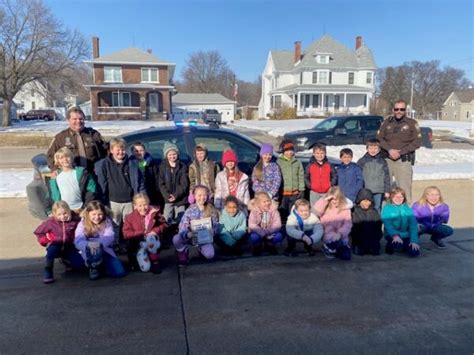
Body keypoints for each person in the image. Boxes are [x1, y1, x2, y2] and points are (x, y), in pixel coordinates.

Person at [95, 137, 145, 246]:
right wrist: (102, 202)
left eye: (123, 149)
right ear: (111, 150)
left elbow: (140, 182)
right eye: (117, 149)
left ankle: (129, 246)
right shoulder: (104, 164)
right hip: (113, 202)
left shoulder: (132, 163)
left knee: (129, 225)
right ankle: (114, 245)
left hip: (130, 201)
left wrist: (140, 199)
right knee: (114, 225)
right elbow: (101, 184)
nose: (120, 152)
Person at [377, 99, 422, 202]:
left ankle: (406, 214)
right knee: (386, 189)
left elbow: (417, 142)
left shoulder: (412, 123)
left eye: (402, 109)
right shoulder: (386, 122)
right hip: (387, 159)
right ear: (393, 110)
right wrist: (389, 150)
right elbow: (379, 138)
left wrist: (400, 152)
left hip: (403, 160)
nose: (399, 111)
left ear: (405, 110)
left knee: (404, 189)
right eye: (396, 109)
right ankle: (386, 213)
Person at [33, 201, 84, 284]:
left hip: (70, 246)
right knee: (51, 252)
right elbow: (38, 232)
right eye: (59, 215)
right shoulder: (50, 222)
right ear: (54, 214)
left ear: (69, 211)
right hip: (55, 245)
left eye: (65, 213)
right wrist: (46, 241)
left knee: (80, 265)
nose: (62, 216)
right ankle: (48, 269)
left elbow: (82, 229)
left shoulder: (75, 220)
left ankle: (66, 260)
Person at [75, 201, 126, 280]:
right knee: (78, 263)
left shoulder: (107, 222)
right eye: (93, 214)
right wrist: (88, 245)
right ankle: (93, 267)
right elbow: (78, 239)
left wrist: (99, 244)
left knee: (119, 272)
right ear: (88, 214)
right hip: (89, 251)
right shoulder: (82, 223)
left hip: (104, 249)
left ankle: (102, 266)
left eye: (100, 214)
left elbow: (110, 236)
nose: (97, 217)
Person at [47, 107, 107, 173]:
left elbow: (106, 152)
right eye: (74, 119)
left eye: (81, 119)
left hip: (93, 173)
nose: (78, 121)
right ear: (68, 120)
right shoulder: (60, 137)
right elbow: (50, 156)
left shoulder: (94, 134)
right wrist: (55, 169)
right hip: (72, 174)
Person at [173, 185, 219, 266]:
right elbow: (182, 225)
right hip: (191, 236)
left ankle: (201, 250)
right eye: (199, 195)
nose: (202, 197)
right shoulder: (190, 210)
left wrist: (213, 231)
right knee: (176, 239)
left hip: (204, 238)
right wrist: (187, 234)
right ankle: (183, 251)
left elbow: (216, 224)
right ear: (194, 196)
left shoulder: (211, 209)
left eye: (204, 195)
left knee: (210, 255)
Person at [123, 193, 168, 274]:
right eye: (140, 205)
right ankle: (139, 260)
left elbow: (164, 224)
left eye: (145, 205)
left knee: (150, 238)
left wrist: (155, 231)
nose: (143, 208)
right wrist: (141, 233)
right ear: (135, 206)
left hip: (152, 241)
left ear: (149, 203)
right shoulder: (129, 217)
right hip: (138, 243)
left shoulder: (155, 213)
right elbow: (126, 234)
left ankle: (155, 262)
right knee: (146, 268)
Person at [49, 147, 96, 212]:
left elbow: (91, 189)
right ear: (58, 161)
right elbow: (53, 194)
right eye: (61, 158)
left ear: (71, 157)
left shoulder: (83, 173)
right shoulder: (55, 177)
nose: (65, 159)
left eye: (67, 156)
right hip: (64, 211)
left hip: (80, 208)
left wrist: (85, 206)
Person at [314, 186, 352, 260]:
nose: (335, 201)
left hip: (341, 236)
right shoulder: (325, 207)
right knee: (332, 245)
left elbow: (348, 224)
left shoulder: (345, 209)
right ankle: (328, 248)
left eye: (337, 199)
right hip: (328, 234)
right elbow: (317, 209)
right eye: (332, 199)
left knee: (346, 256)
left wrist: (340, 233)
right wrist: (326, 199)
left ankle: (337, 248)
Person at [381, 187, 420, 257]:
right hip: (391, 234)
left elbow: (413, 226)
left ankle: (404, 245)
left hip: (405, 234)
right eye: (396, 196)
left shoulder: (408, 209)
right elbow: (388, 225)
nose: (398, 199)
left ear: (404, 198)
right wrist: (395, 235)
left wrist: (414, 241)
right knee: (397, 245)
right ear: (391, 197)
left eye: (401, 197)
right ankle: (390, 245)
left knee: (414, 252)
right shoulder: (387, 208)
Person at [158, 142, 188, 225]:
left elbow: (184, 184)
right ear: (166, 155)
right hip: (168, 199)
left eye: (174, 154)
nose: (172, 156)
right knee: (166, 218)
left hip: (180, 199)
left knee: (181, 220)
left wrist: (175, 195)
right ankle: (167, 235)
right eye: (169, 154)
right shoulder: (162, 167)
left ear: (177, 154)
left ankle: (180, 235)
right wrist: (167, 196)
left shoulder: (182, 166)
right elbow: (161, 183)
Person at [357, 139, 391, 213]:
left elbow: (386, 176)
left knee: (377, 207)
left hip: (378, 189)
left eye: (375, 148)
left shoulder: (383, 161)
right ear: (367, 149)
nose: (373, 150)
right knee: (366, 207)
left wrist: (387, 190)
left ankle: (377, 223)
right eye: (371, 148)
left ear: (379, 149)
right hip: (366, 189)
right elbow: (358, 175)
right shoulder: (362, 161)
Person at [276, 139, 305, 223]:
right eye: (287, 151)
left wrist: (301, 189)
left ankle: (293, 226)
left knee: (293, 211)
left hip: (294, 193)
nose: (289, 153)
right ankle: (283, 226)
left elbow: (300, 175)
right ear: (283, 151)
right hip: (283, 193)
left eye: (291, 150)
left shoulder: (297, 162)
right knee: (282, 211)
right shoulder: (279, 162)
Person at [214, 149, 250, 213]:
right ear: (224, 163)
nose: (230, 163)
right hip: (225, 207)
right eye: (228, 161)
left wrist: (246, 207)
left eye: (232, 161)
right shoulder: (220, 176)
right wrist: (217, 206)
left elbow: (246, 194)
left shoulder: (242, 176)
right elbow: (218, 191)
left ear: (235, 162)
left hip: (239, 206)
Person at [248, 191, 283, 256]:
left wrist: (267, 232)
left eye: (268, 201)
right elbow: (252, 225)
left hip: (270, 232)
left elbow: (278, 224)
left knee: (279, 236)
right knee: (254, 237)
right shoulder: (254, 211)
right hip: (258, 232)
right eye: (264, 202)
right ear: (258, 204)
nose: (267, 203)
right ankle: (257, 246)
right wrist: (262, 233)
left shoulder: (274, 210)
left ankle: (270, 245)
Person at [351, 188, 383, 256]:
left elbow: (378, 229)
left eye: (369, 201)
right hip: (359, 241)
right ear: (359, 201)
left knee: (376, 252)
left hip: (372, 240)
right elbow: (354, 230)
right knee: (360, 252)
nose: (367, 203)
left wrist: (375, 240)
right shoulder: (355, 212)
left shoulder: (374, 212)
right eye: (364, 201)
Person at [129, 142, 162, 207]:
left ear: (145, 151)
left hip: (150, 194)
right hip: (136, 195)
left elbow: (156, 179)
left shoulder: (151, 163)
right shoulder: (130, 164)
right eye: (136, 151)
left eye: (141, 150)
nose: (139, 153)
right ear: (132, 152)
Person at [305, 143, 336, 211]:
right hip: (314, 192)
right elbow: (306, 177)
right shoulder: (310, 165)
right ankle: (316, 221)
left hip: (326, 192)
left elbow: (334, 176)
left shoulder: (329, 165)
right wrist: (311, 186)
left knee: (326, 210)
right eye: (317, 153)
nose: (320, 155)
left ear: (325, 153)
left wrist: (330, 185)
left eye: (322, 153)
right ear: (313, 154)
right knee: (315, 210)